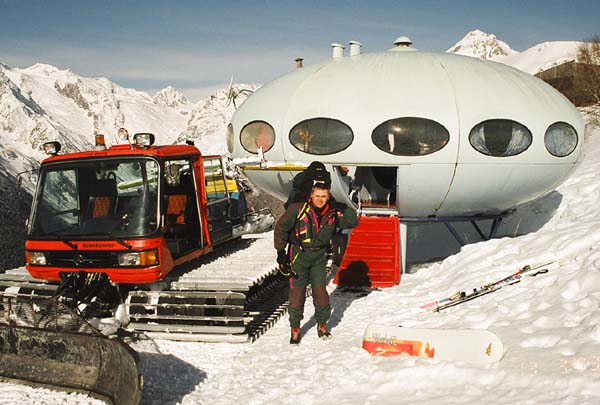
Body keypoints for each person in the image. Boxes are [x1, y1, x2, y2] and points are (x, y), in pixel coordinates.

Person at [274, 182, 358, 344]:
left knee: (320, 291)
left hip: (319, 256)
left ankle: (322, 324)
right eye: (317, 196)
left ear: (328, 197)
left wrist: (344, 207)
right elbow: (281, 228)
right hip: (299, 255)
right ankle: (295, 327)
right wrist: (280, 252)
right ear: (311, 196)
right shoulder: (298, 210)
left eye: (324, 196)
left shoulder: (332, 213)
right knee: (297, 293)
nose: (320, 200)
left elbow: (352, 222)